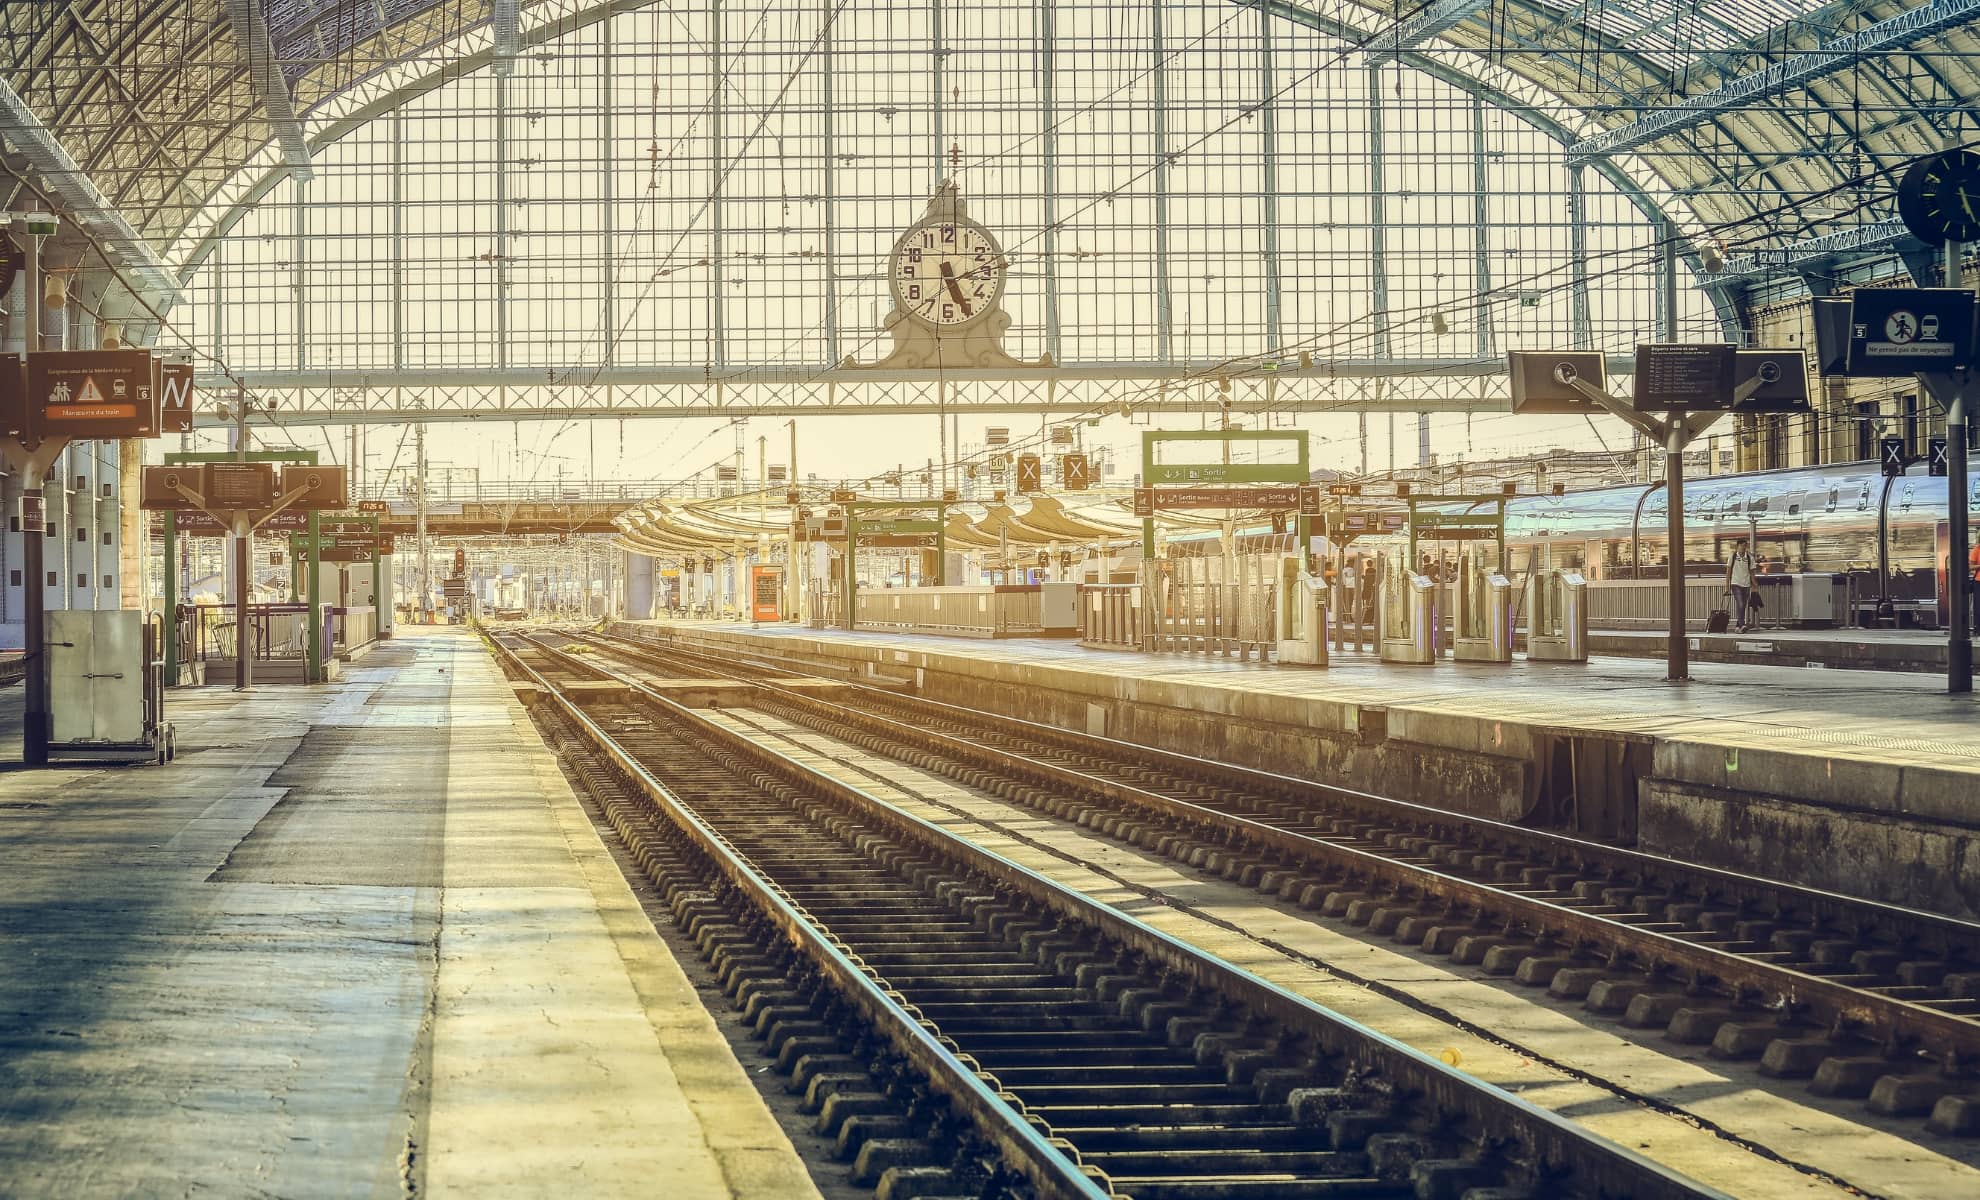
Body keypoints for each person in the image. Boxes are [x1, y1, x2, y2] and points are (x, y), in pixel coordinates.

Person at [1725, 541, 1755, 632]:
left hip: (1746, 584)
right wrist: (1727, 587)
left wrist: (1755, 584)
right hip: (1735, 583)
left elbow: (1752, 573)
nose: (1743, 548)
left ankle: (1738, 627)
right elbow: (1728, 572)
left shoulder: (1750, 558)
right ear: (1737, 547)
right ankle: (1742, 625)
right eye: (1741, 546)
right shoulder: (1732, 557)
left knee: (1742, 606)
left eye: (1744, 546)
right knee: (1740, 603)